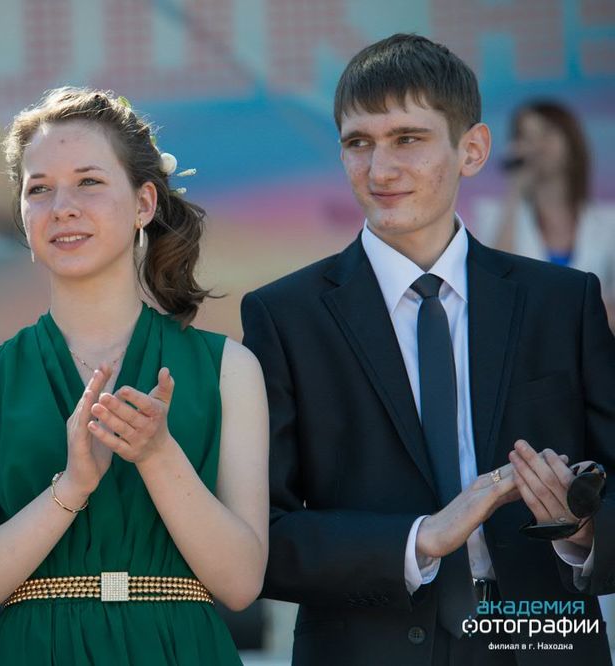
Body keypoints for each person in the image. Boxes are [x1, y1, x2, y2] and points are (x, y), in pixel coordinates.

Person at [242, 34, 615, 665]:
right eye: (358, 143)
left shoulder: (562, 302)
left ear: (473, 149)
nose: (380, 170)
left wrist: (581, 528)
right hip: (367, 648)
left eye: (407, 138)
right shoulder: (284, 317)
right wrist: (419, 540)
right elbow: (260, 537)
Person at [0, 87, 268, 665]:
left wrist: (157, 455)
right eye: (39, 189)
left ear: (143, 203)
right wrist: (70, 489)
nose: (62, 206)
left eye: (88, 181)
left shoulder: (228, 370)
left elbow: (240, 583)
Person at [474, 100, 615, 330]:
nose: (536, 145)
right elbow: (495, 288)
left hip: (591, 347)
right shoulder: (495, 215)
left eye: (546, 132)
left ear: (571, 141)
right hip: (527, 346)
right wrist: (515, 187)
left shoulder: (608, 222)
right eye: (526, 136)